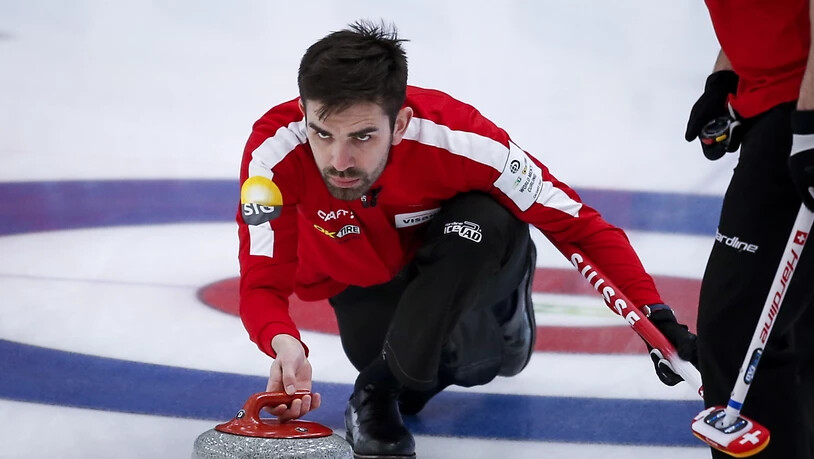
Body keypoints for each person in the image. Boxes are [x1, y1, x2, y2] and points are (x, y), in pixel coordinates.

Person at [237, 20, 697, 458]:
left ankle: (381, 383)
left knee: (483, 219)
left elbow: (576, 223)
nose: (340, 160)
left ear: (400, 123)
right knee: (418, 385)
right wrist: (282, 341)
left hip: (462, 252)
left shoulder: (461, 139)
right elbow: (262, 279)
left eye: (363, 136)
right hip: (364, 281)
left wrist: (656, 318)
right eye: (322, 132)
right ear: (303, 113)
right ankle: (420, 364)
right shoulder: (272, 158)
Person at [684, 1, 814, 457]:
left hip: (798, 106)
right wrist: (726, 77)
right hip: (780, 102)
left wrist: (810, 123)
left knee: (738, 330)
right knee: (796, 323)